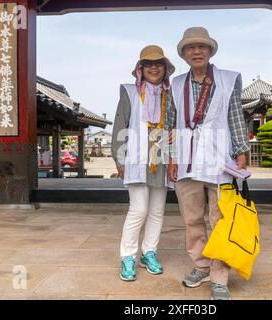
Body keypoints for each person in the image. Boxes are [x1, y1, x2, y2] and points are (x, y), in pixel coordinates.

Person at [165, 27, 250, 300]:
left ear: (210, 51)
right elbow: (169, 123)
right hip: (186, 161)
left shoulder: (227, 79)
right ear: (184, 54)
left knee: (220, 220)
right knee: (192, 219)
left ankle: (219, 275)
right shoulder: (176, 84)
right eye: (191, 48)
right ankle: (200, 265)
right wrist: (170, 157)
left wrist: (241, 151)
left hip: (219, 161)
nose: (197, 51)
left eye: (202, 47)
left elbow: (236, 116)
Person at [111, 45, 175, 281]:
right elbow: (121, 125)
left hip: (162, 156)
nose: (154, 68)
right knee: (139, 209)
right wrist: (119, 157)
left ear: (165, 68)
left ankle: (149, 252)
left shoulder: (171, 93)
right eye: (148, 64)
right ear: (141, 68)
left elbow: (176, 124)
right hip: (136, 156)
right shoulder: (130, 92)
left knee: (157, 211)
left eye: (159, 63)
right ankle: (127, 256)